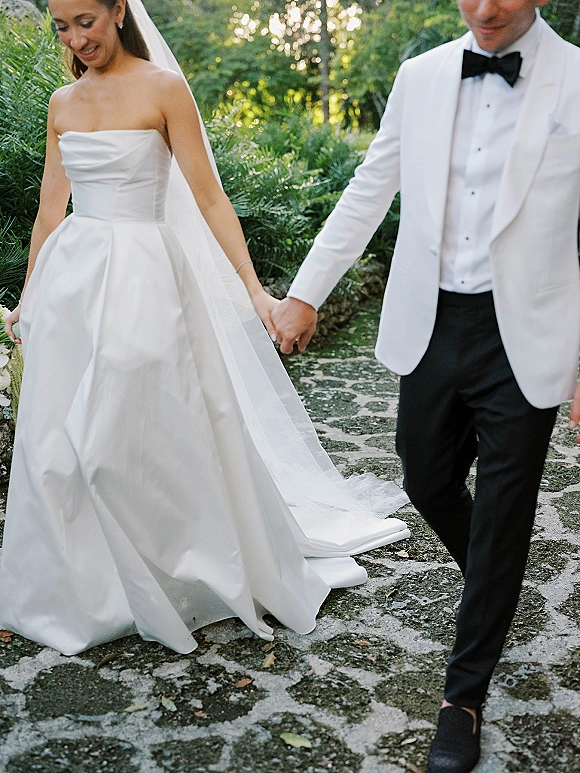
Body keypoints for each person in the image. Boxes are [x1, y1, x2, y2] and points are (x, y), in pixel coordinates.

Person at [0, 0, 410, 657]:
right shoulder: (61, 102)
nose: (77, 38)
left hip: (144, 277)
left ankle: (172, 567)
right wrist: (29, 299)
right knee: (57, 441)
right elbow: (50, 215)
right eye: (62, 27)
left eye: (87, 21)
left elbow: (209, 195)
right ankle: (86, 587)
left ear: (117, 10)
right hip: (73, 280)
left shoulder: (164, 88)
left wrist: (254, 289)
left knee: (120, 430)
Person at [272, 2, 580, 771]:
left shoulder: (577, 80)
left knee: (504, 511)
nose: (484, 9)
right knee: (426, 474)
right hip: (434, 323)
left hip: (529, 334)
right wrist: (306, 291)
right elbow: (368, 191)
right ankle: (494, 592)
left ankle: (463, 697)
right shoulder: (421, 75)